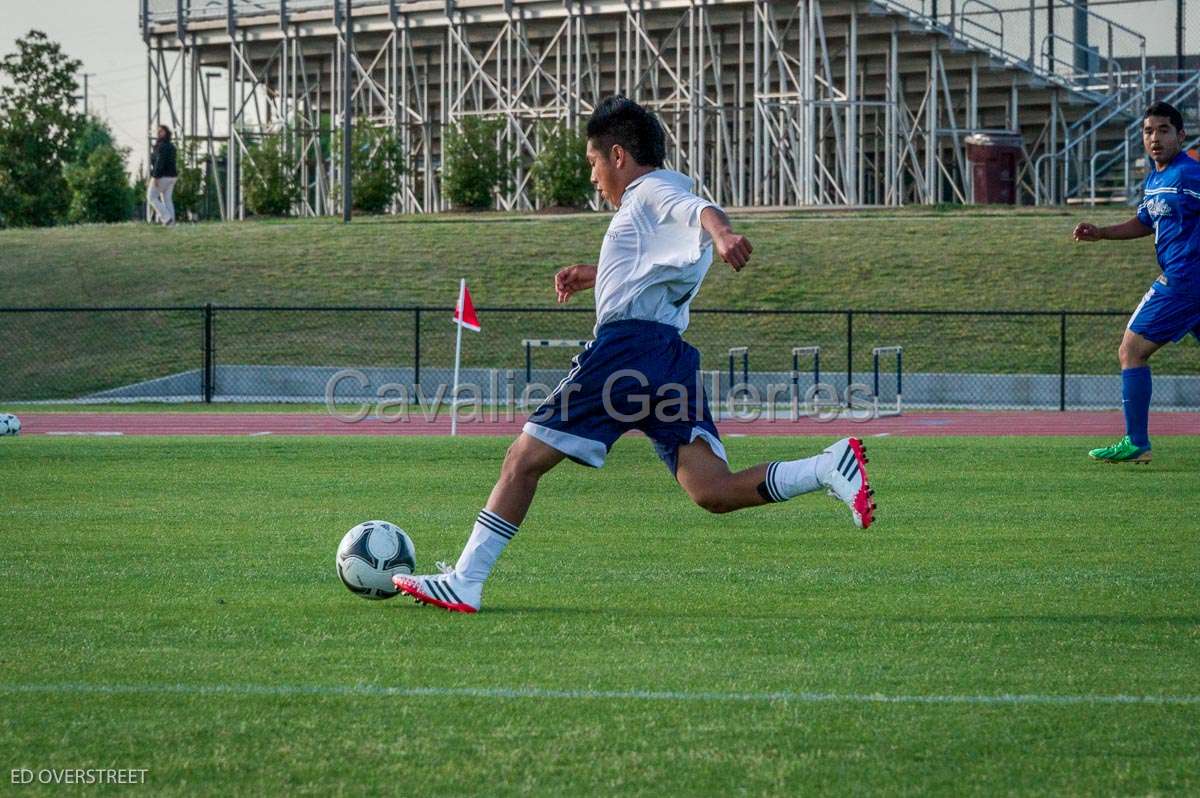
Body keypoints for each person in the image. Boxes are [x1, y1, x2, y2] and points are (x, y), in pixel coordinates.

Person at [394, 96, 876, 614]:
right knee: (711, 490)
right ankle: (828, 466)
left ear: (618, 155)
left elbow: (700, 212)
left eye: (593, 163)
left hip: (625, 353)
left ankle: (466, 580)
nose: (594, 177)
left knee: (522, 460)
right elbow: (652, 268)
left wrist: (724, 234)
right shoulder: (650, 207)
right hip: (666, 359)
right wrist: (592, 274)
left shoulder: (650, 190)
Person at [1074, 101, 1200, 464]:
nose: (1155, 138)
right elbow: (1145, 222)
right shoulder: (1156, 179)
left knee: (1131, 351)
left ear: (1181, 135)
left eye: (1163, 130)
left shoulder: (1189, 174)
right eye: (1148, 131)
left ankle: (1137, 441)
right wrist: (1101, 233)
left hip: (1184, 280)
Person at [147, 125, 178, 226]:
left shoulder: (161, 146)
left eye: (161, 131)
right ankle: (171, 223)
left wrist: (155, 176)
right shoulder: (172, 147)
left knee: (151, 197)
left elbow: (159, 162)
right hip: (172, 177)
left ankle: (166, 218)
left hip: (162, 176)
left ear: (166, 133)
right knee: (167, 199)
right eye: (158, 131)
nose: (158, 133)